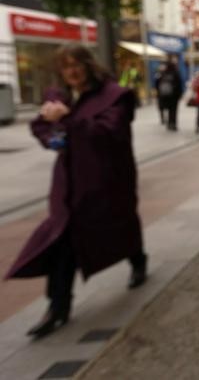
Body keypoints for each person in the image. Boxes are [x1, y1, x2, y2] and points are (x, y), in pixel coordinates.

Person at [6, 44, 147, 340]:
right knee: (63, 241)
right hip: (69, 182)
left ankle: (137, 259)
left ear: (88, 65)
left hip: (106, 180)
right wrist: (52, 136)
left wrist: (67, 120)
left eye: (76, 65)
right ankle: (57, 307)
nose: (71, 71)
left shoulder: (115, 97)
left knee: (120, 225)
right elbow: (40, 125)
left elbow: (109, 133)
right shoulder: (59, 96)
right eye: (65, 66)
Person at [155, 59, 183, 131]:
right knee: (173, 110)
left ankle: (169, 123)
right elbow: (179, 84)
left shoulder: (163, 73)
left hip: (165, 95)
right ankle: (173, 124)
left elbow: (157, 83)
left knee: (168, 109)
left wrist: (159, 93)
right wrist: (180, 94)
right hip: (174, 96)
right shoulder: (176, 73)